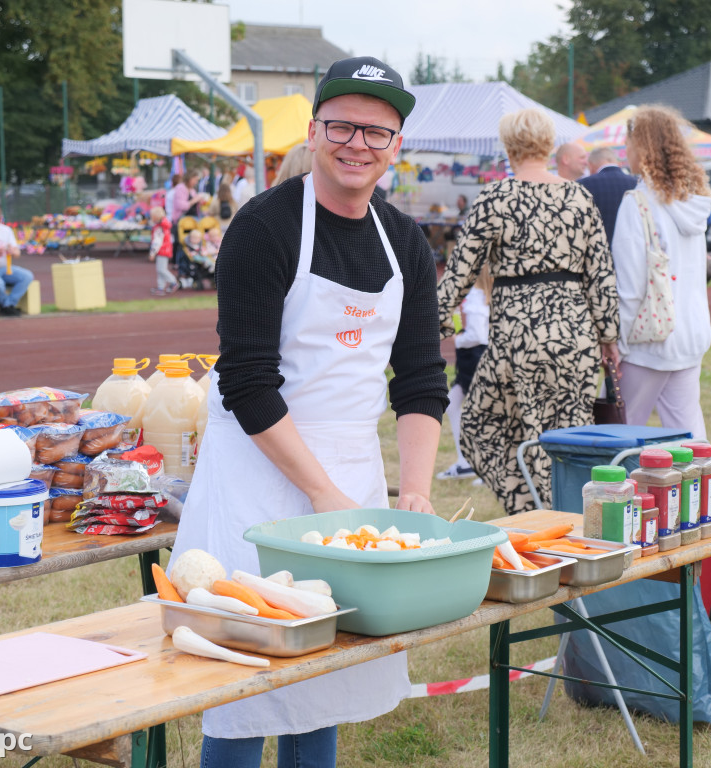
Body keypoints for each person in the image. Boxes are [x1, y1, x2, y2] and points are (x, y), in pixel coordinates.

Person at [168, 55, 448, 768]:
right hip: (256, 479)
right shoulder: (263, 229)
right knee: (242, 688)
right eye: (342, 126)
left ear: (398, 147)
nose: (358, 145)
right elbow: (248, 381)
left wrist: (413, 491)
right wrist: (321, 494)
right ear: (317, 131)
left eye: (376, 132)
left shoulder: (406, 241)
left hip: (350, 478)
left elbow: (419, 380)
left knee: (323, 677)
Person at [437, 108, 620, 515]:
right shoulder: (578, 196)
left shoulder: (495, 197)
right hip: (576, 338)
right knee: (567, 443)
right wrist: (608, 338)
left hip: (518, 338)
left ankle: (530, 512)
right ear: (550, 145)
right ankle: (565, 520)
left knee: (480, 430)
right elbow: (601, 274)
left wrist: (427, 326)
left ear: (507, 147)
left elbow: (460, 273)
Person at [612, 104, 711, 440]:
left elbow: (630, 287)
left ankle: (618, 496)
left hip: (648, 341)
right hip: (690, 335)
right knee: (690, 441)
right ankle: (705, 494)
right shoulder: (693, 203)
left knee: (622, 441)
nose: (624, 150)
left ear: (643, 147)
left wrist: (618, 344)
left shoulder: (637, 203)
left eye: (628, 142)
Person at [437, 262, 492, 480]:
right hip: (477, 359)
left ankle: (480, 465)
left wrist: (458, 340)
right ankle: (466, 462)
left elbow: (477, 335)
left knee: (480, 414)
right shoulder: (483, 294)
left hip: (474, 358)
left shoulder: (477, 296)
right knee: (453, 404)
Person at [578, 147, 638, 245]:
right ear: (617, 162)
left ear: (591, 165)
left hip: (598, 250)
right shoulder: (636, 183)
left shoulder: (584, 184)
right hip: (631, 248)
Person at [0, 207, 33, 317]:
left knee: (27, 276)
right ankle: (6, 306)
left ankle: (8, 304)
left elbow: (17, 253)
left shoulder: (6, 230)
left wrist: (12, 251)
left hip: (5, 267)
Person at [147, 206, 178, 296]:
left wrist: (152, 253)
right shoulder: (165, 226)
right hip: (166, 249)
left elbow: (157, 242)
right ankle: (160, 287)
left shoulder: (159, 228)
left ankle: (173, 281)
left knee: (161, 269)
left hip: (162, 251)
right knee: (160, 270)